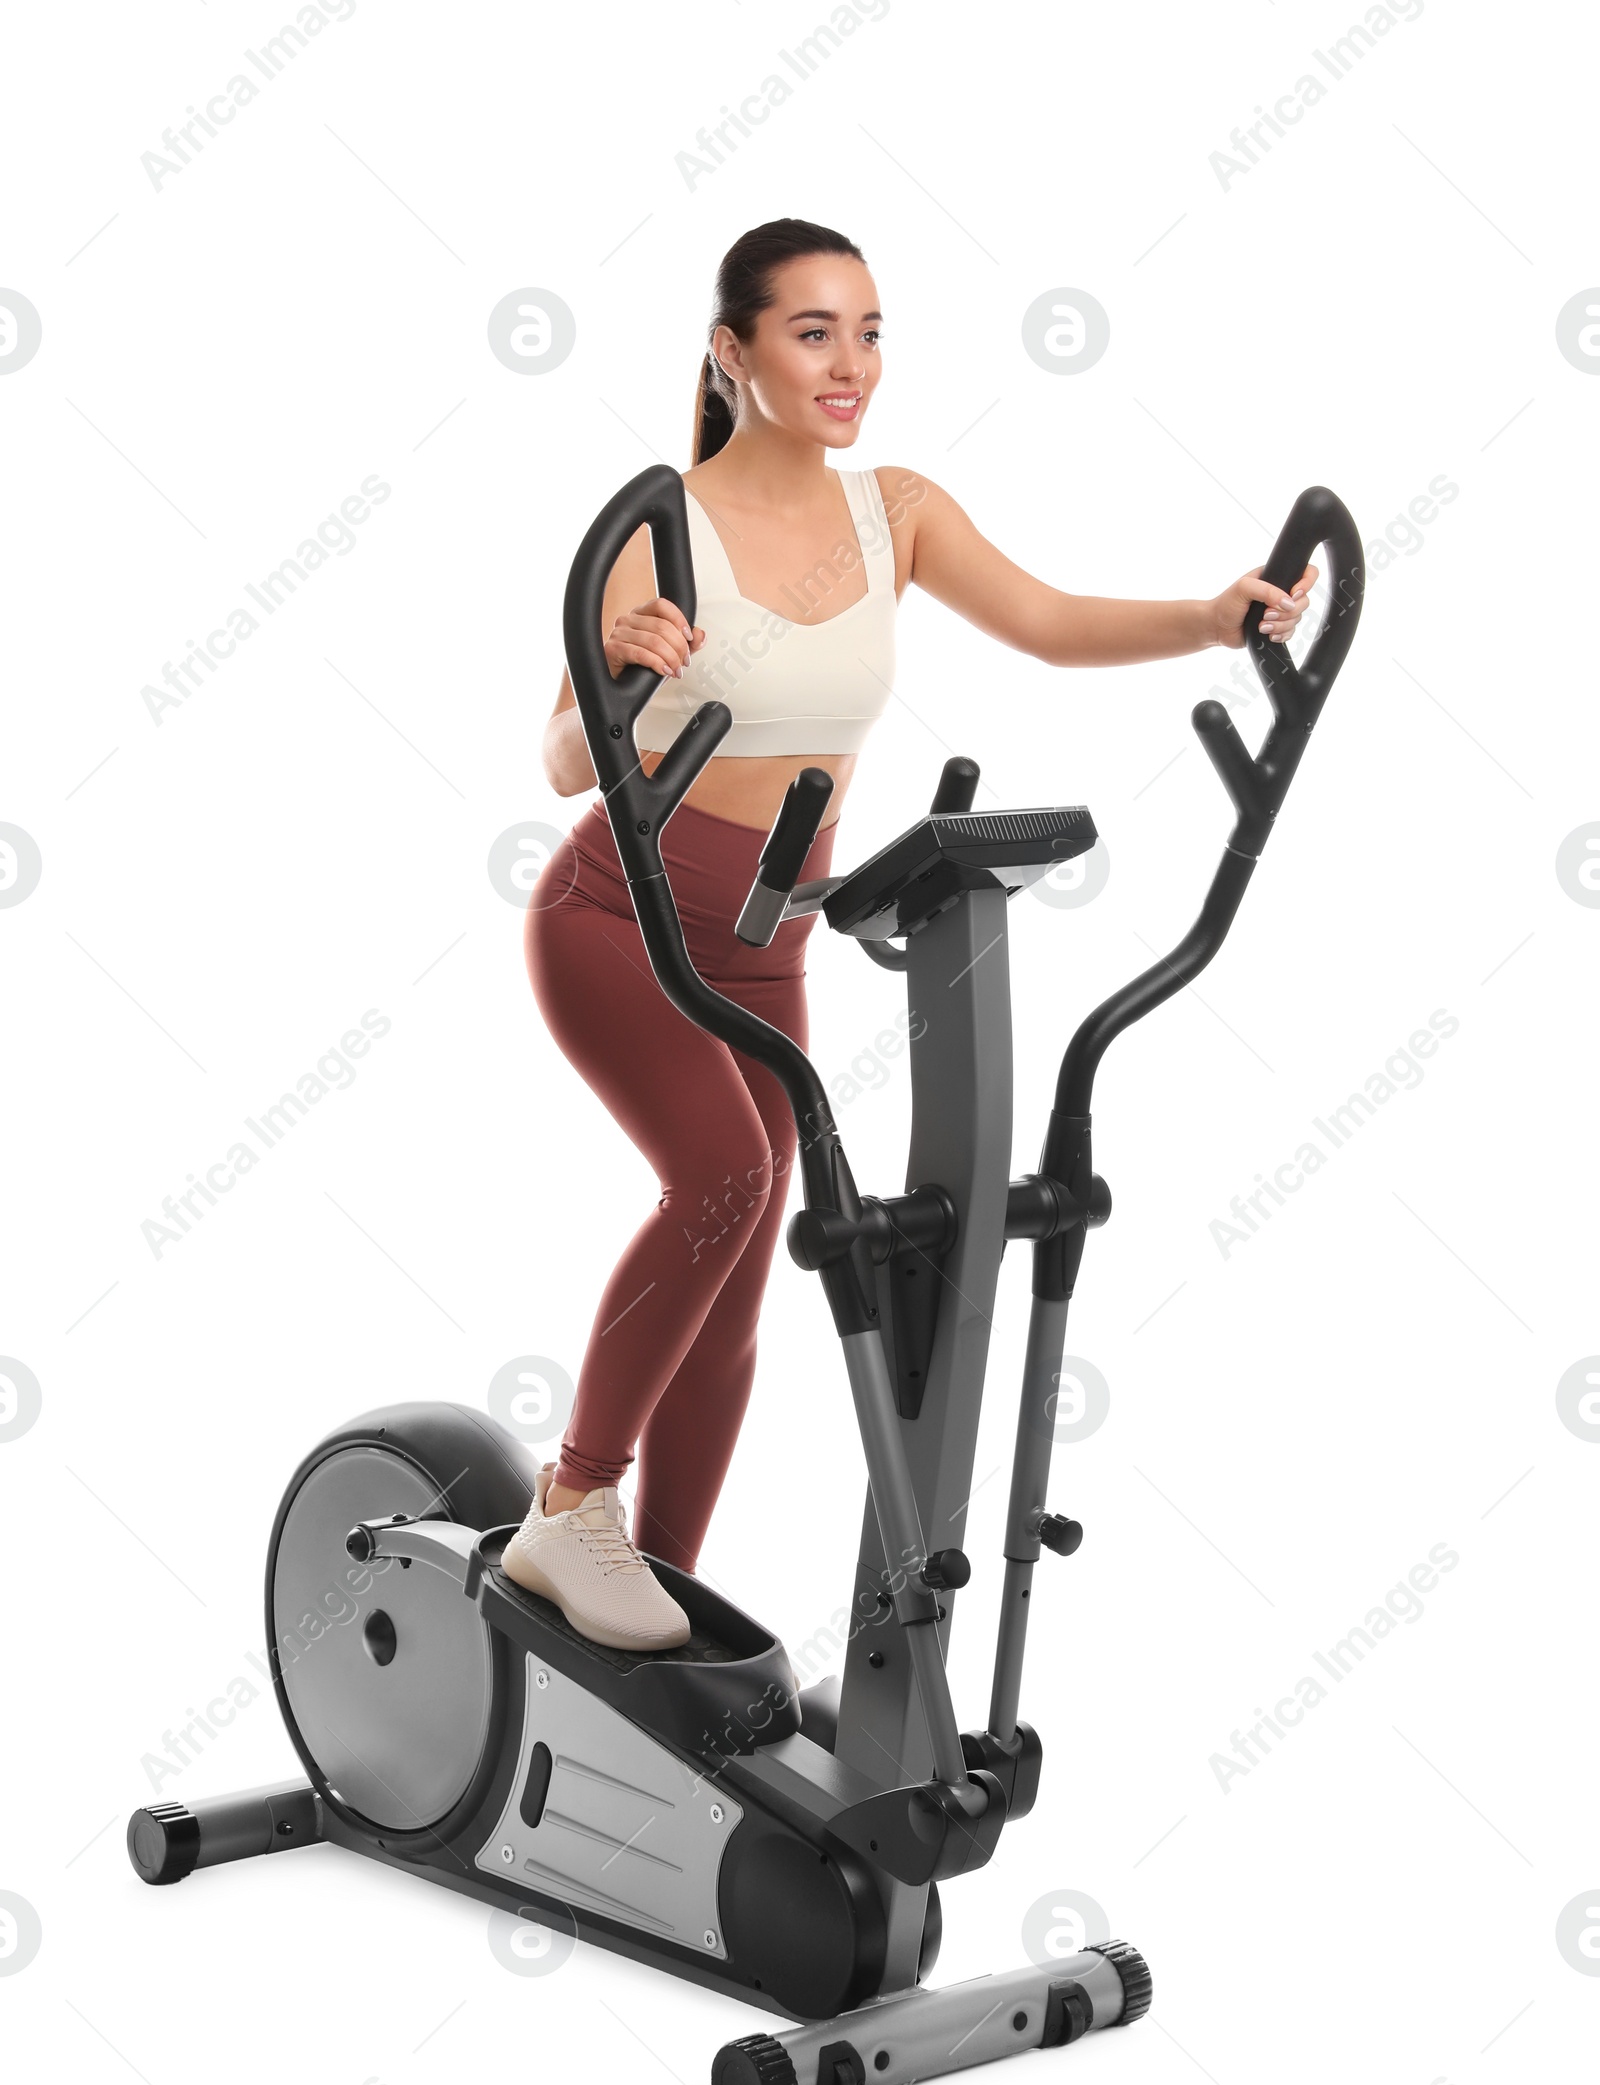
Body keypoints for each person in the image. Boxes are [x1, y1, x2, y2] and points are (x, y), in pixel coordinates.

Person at [501, 216, 1315, 1652]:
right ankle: (570, 1511)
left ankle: (658, 1606)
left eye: (871, 332)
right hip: (619, 922)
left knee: (744, 1276)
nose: (851, 363)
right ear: (730, 351)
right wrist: (616, 672)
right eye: (813, 331)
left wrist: (1207, 616)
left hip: (764, 943)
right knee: (726, 1183)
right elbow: (568, 762)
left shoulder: (901, 512)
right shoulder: (658, 526)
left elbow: (1051, 620)